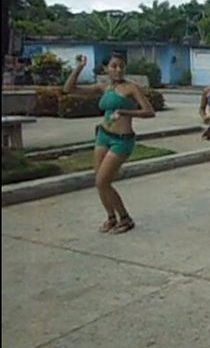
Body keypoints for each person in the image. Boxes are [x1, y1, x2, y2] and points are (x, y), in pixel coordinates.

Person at [63, 53, 155, 234]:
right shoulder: (104, 87)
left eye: (121, 66)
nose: (118, 70)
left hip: (122, 140)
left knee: (103, 181)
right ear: (106, 69)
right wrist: (80, 67)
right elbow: (69, 89)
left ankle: (125, 218)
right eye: (114, 66)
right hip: (103, 136)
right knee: (99, 182)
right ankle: (111, 217)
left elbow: (149, 111)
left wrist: (125, 112)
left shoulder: (131, 88)